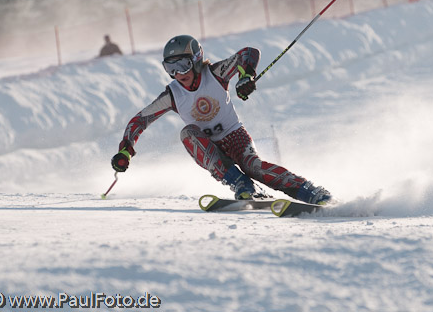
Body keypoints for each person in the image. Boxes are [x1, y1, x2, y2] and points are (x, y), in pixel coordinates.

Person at [111, 35, 331, 204]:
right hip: (208, 147)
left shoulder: (215, 74)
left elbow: (248, 53)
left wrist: (246, 76)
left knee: (254, 167)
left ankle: (310, 191)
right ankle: (241, 184)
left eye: (183, 65)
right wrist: (125, 150)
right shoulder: (173, 95)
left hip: (235, 137)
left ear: (196, 60)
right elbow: (139, 121)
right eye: (171, 68)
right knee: (188, 133)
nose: (179, 74)